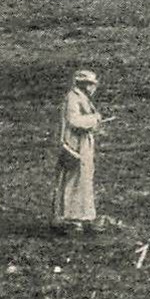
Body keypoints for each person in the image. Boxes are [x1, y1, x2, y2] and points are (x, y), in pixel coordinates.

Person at [53, 69, 104, 234]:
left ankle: (85, 217)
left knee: (84, 180)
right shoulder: (73, 98)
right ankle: (73, 219)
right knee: (75, 180)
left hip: (83, 144)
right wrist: (94, 120)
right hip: (74, 145)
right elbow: (74, 120)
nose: (93, 87)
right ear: (84, 85)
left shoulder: (81, 98)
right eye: (91, 84)